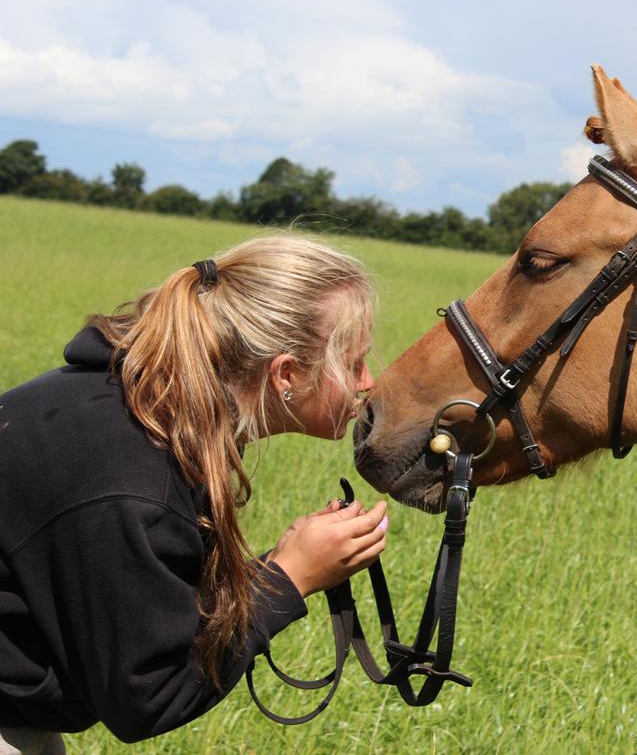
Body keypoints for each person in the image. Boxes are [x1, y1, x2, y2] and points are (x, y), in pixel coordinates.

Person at [0, 235, 388, 752]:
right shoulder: (135, 477)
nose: (368, 381)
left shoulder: (125, 405)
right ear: (287, 375)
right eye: (355, 362)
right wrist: (291, 577)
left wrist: (276, 565)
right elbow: (149, 697)